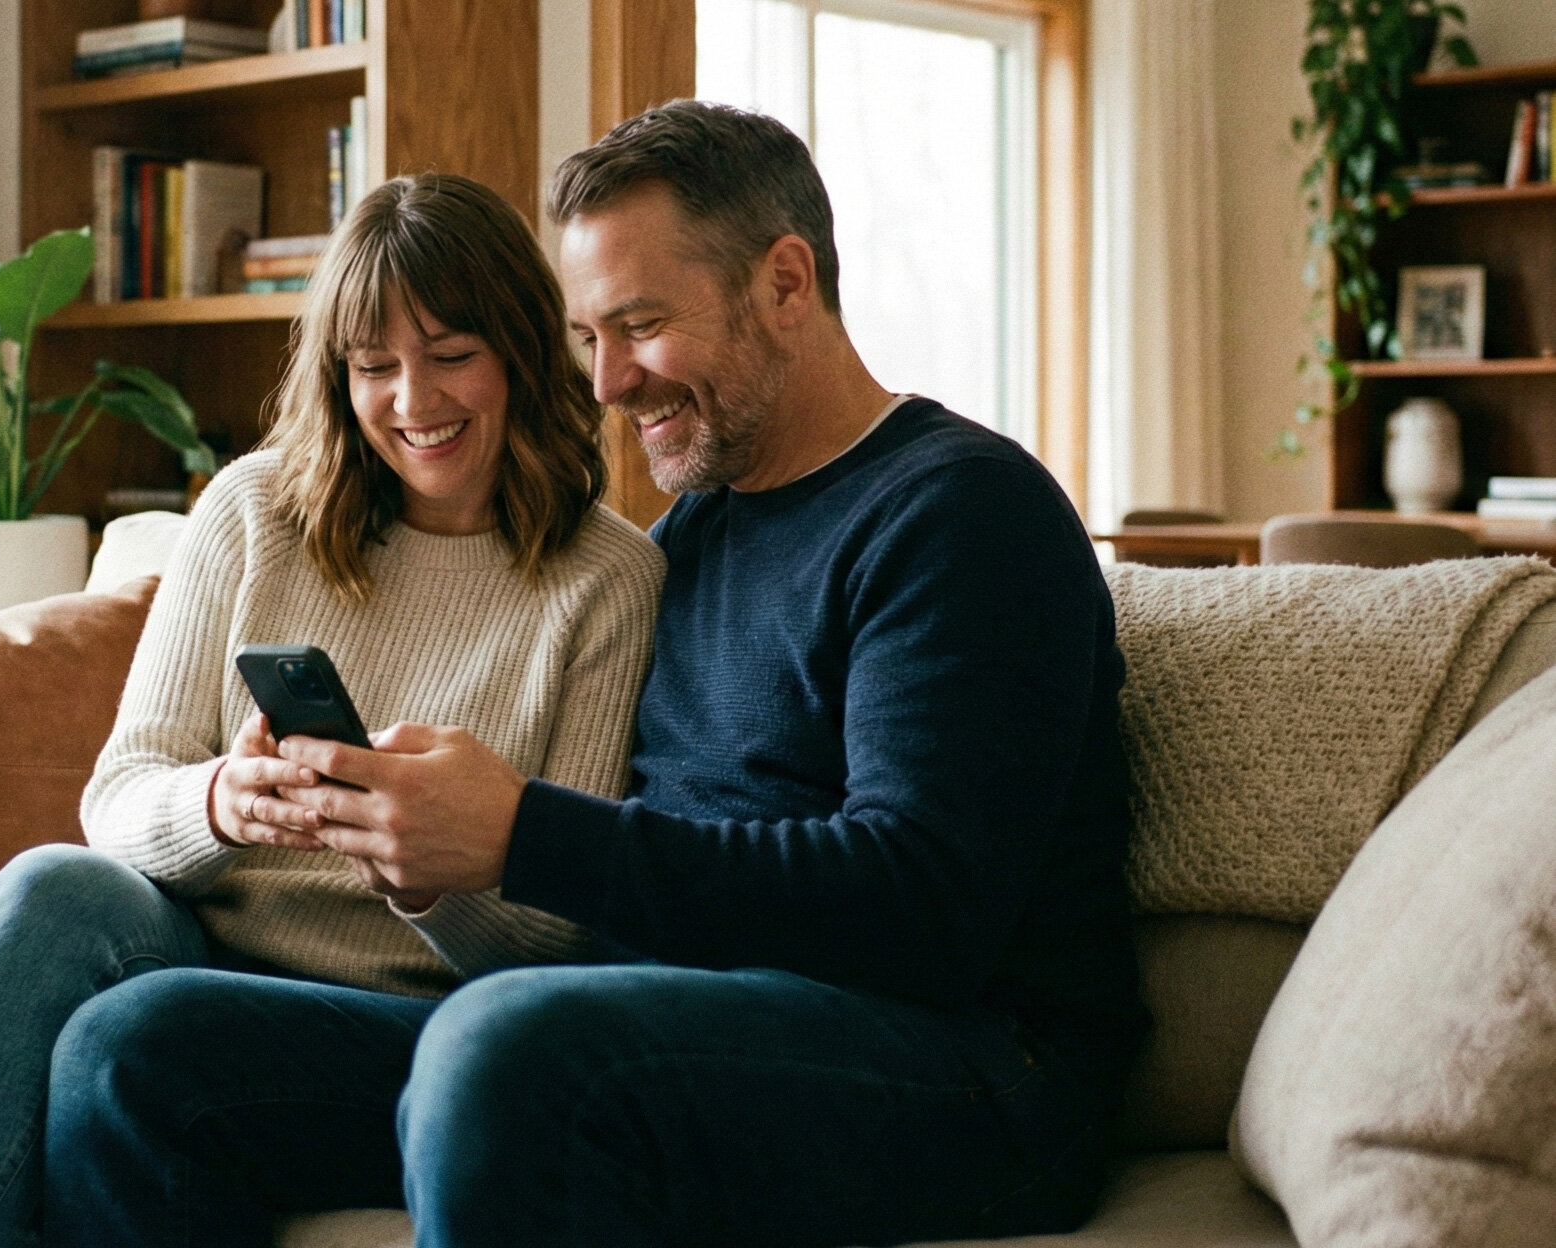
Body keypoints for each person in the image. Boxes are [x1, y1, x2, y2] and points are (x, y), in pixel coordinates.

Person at [255, 101, 1150, 1245]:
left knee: (504, 1051)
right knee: (147, 1048)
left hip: (974, 1066)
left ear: (786, 281)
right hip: (672, 1022)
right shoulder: (685, 538)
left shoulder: (961, 513)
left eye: (638, 325)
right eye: (588, 338)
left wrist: (523, 833)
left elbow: (921, 910)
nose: (606, 383)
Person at [0, 173, 664, 1248]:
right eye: (373, 367)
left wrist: (422, 871)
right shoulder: (252, 511)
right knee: (48, 887)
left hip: (418, 1014)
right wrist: (218, 801)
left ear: (523, 352)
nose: (414, 401)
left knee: (127, 1041)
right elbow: (117, 795)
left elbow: (552, 943)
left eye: (452, 355)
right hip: (203, 942)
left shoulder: (609, 579)